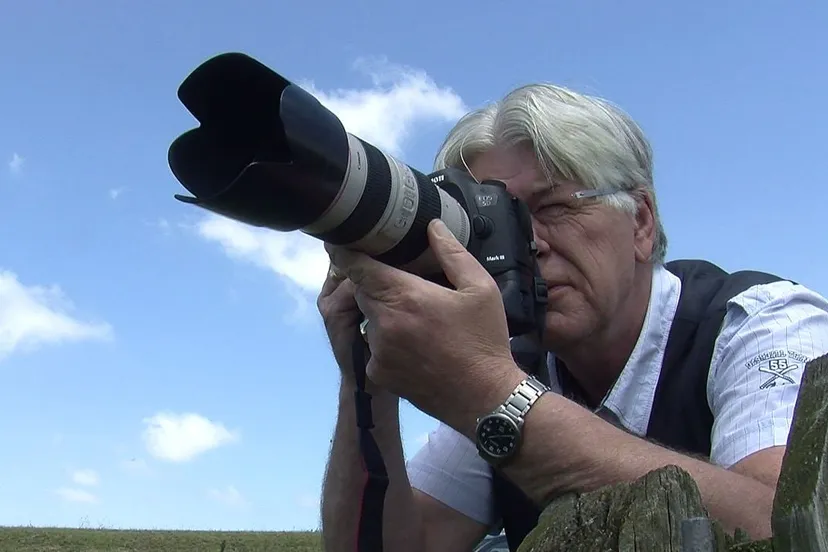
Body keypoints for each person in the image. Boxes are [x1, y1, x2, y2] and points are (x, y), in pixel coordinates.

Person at [316, 83, 828, 552]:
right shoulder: (506, 363)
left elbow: (789, 526)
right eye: (492, 222)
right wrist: (365, 379)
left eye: (554, 207)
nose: (529, 242)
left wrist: (489, 393)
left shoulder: (761, 322)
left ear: (641, 222)